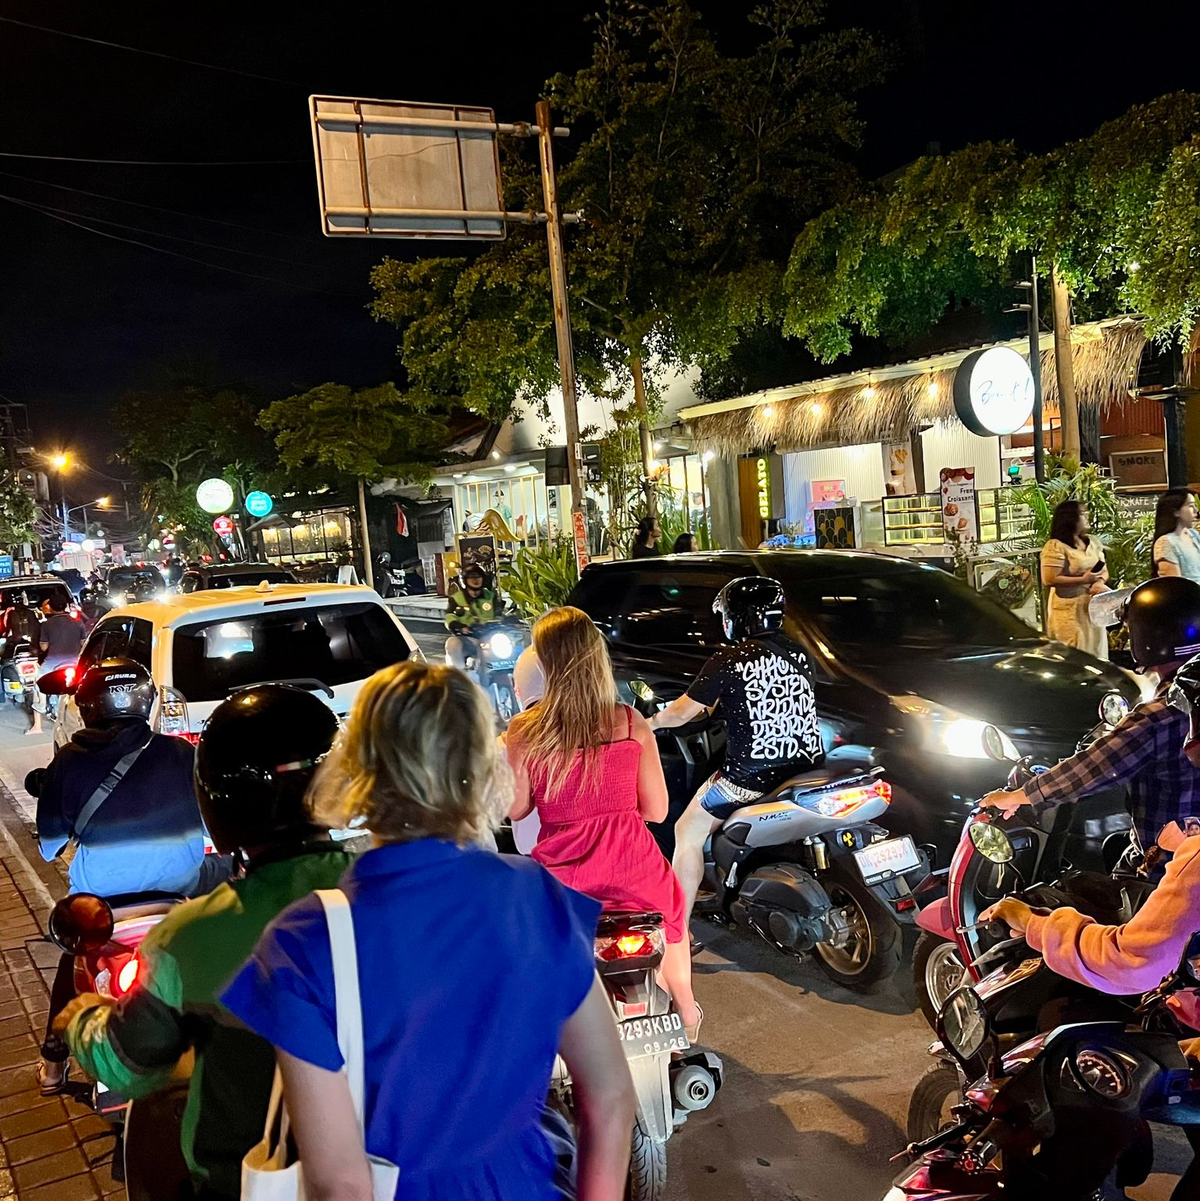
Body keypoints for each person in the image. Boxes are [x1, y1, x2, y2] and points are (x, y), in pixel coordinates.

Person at [220, 661, 635, 1201]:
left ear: (359, 770)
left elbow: (339, 1183)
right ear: (482, 767)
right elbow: (609, 1096)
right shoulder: (538, 896)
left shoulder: (305, 942)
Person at [59, 685, 354, 1200]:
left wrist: (80, 1021)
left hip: (251, 1180)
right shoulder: (396, 892)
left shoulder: (189, 937)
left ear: (217, 801)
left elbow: (130, 1066)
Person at [505, 609, 702, 1038]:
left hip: (565, 880)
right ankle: (685, 1009)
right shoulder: (629, 720)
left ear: (547, 663)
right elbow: (657, 811)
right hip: (636, 872)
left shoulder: (524, 731)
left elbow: (517, 809)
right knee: (672, 922)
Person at [34, 658, 212, 1095]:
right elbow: (214, 833)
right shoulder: (183, 754)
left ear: (88, 706)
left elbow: (48, 847)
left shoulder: (67, 764)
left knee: (71, 956)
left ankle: (54, 1065)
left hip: (104, 911)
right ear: (146, 702)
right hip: (179, 899)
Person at [984, 576, 1200, 864]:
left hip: (1167, 870)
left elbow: (1093, 768)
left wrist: (1018, 796)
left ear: (1146, 639)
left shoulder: (1160, 716)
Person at [650, 576, 824, 927]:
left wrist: (650, 723)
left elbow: (683, 712)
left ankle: (677, 931)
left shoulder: (730, 658)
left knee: (687, 830)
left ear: (739, 617)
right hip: (806, 766)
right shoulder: (802, 652)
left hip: (751, 778)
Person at [1040, 499, 1109, 659]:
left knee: (1096, 649)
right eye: (1082, 514)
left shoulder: (1092, 542)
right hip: (1069, 609)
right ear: (1070, 518)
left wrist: (1099, 582)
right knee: (1075, 652)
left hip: (1092, 607)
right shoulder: (1056, 546)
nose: (1087, 517)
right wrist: (1083, 579)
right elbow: (1049, 579)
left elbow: (1104, 570)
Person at [444, 563, 504, 671]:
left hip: (490, 636)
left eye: (478, 577)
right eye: (472, 577)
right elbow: (449, 616)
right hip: (467, 638)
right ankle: (459, 676)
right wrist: (458, 626)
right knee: (452, 644)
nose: (476, 580)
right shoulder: (457, 598)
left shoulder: (491, 596)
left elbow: (500, 612)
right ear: (464, 580)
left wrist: (510, 618)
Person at [1153, 489, 1200, 581]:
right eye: (1191, 506)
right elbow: (1176, 586)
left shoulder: (1193, 534)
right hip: (1190, 594)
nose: (1196, 510)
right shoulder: (1165, 542)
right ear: (1176, 512)